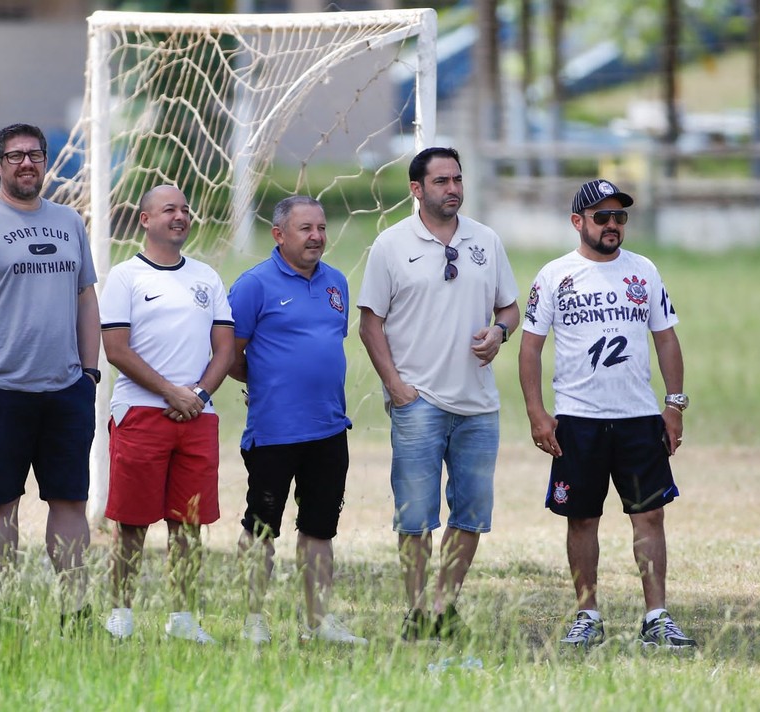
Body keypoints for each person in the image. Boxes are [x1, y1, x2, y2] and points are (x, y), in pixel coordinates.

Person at [518, 178, 697, 650]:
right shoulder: (555, 275)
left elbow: (666, 339)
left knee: (650, 515)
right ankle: (588, 614)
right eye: (602, 217)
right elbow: (531, 348)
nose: (613, 225)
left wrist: (674, 404)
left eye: (620, 216)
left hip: (639, 417)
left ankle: (656, 617)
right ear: (578, 222)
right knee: (581, 518)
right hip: (578, 419)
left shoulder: (644, 271)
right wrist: (538, 413)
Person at [357, 147, 520, 642]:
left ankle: (443, 606)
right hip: (418, 401)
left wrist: (499, 333)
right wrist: (396, 388)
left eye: (457, 178)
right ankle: (415, 610)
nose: (453, 188)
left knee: (471, 514)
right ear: (416, 189)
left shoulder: (486, 241)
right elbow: (369, 325)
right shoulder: (389, 245)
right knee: (415, 516)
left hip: (477, 405)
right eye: (441, 181)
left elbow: (510, 309)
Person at [0, 123, 100, 633]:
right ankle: (0, 611)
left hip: (66, 389)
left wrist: (90, 373)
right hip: (0, 390)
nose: (26, 163)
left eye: (34, 154)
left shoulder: (70, 221)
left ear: (46, 161)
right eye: (15, 156)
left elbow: (86, 299)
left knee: (71, 499)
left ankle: (75, 611)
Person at [227, 196, 366, 646]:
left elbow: (326, 343)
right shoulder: (254, 285)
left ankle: (318, 621)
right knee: (261, 528)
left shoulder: (337, 283)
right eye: (306, 228)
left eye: (322, 228)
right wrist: (269, 379)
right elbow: (230, 354)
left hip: (328, 428)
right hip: (274, 432)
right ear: (279, 234)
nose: (317, 237)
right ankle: (253, 619)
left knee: (320, 529)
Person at [99, 184, 234, 644]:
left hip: (198, 413)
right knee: (132, 521)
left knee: (189, 523)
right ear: (145, 219)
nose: (180, 216)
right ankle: (121, 612)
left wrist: (196, 393)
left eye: (185, 209)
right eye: (169, 209)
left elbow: (225, 348)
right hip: (141, 411)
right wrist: (169, 392)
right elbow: (116, 349)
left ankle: (184, 618)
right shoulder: (125, 276)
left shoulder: (206, 277)